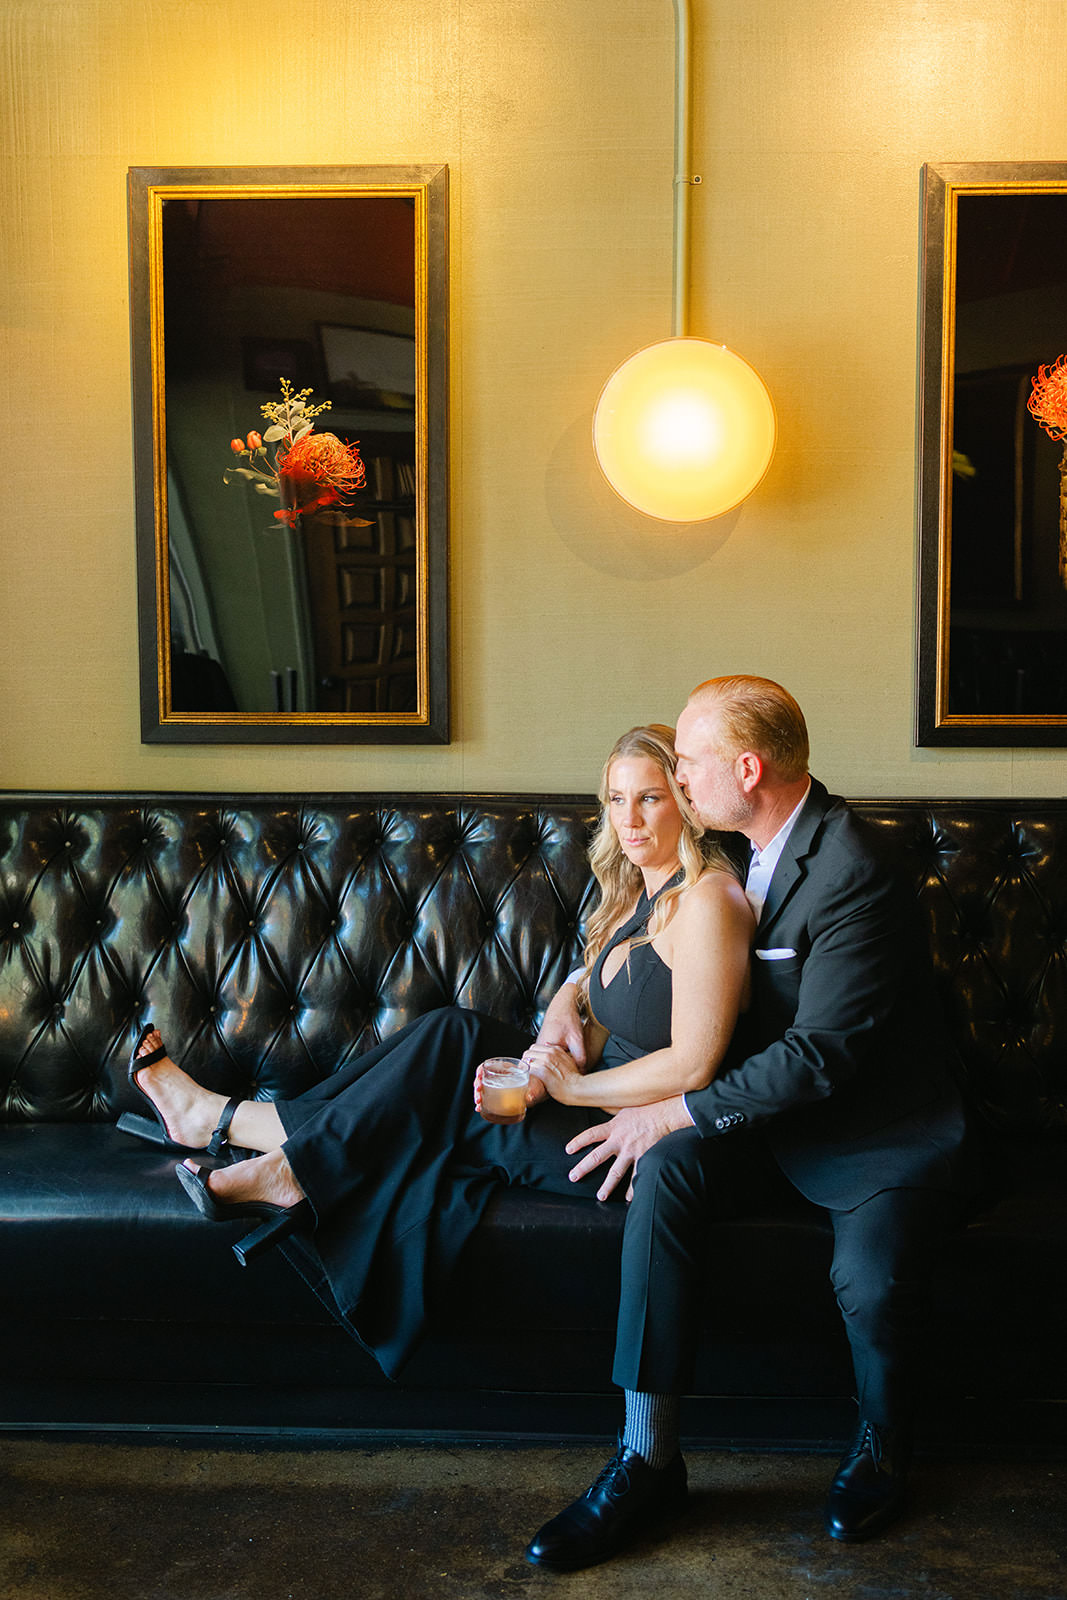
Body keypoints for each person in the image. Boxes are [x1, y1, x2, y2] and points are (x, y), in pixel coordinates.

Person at [119, 724, 754, 1386]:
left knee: (436, 1090)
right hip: (593, 1091)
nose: (630, 819)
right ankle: (236, 1132)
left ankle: (248, 1141)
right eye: (616, 800)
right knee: (452, 1032)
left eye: (649, 798)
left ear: (685, 798)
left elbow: (692, 1064)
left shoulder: (710, 899)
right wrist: (551, 1042)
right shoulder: (637, 894)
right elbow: (605, 1014)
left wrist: (569, 1090)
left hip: (635, 1138)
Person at [524, 676, 972, 1572]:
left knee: (871, 1283)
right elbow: (643, 923)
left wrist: (672, 1110)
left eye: (686, 763)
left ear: (747, 768)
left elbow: (821, 1056)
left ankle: (883, 1448)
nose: (675, 778)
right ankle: (646, 1459)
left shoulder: (856, 866)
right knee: (668, 1176)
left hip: (874, 1133)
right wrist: (571, 995)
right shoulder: (732, 840)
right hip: (768, 1124)